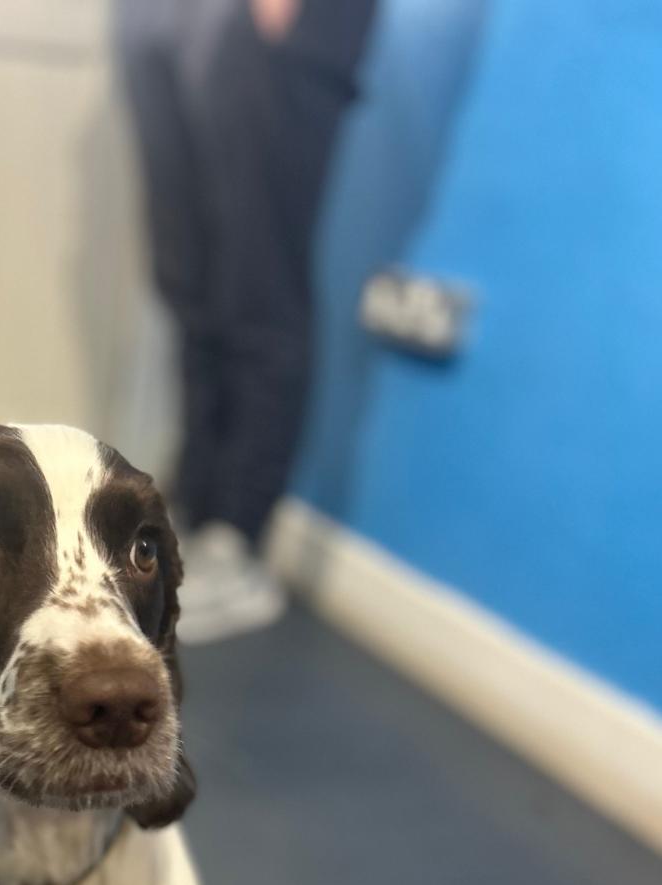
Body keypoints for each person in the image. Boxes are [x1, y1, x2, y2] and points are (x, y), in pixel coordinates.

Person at [116, 0, 377, 642]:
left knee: (259, 285)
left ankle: (237, 540)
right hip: (159, 19)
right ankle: (190, 519)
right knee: (188, 286)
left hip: (264, 23)